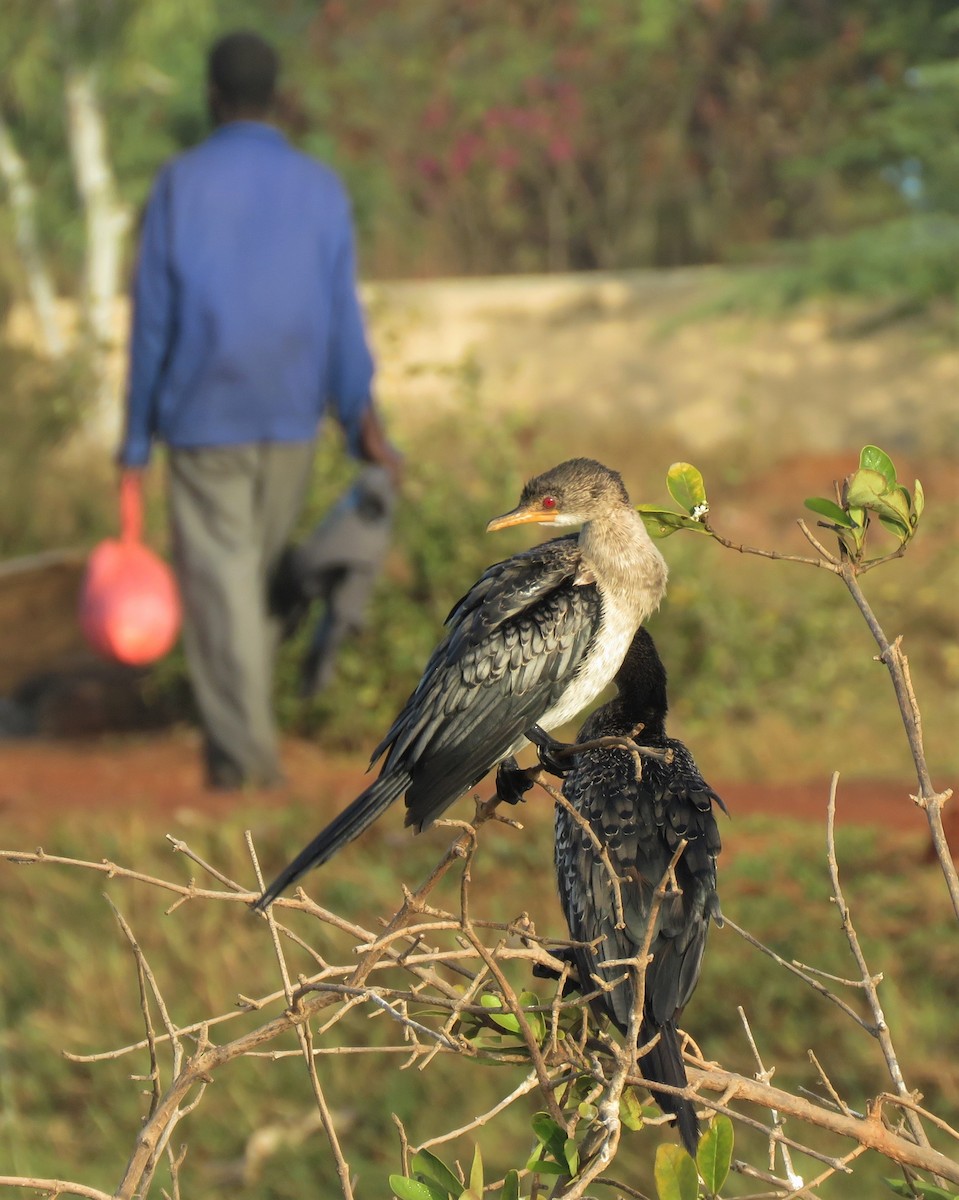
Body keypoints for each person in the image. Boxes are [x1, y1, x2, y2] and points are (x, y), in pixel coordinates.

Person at [117, 30, 401, 789]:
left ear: (211, 96)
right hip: (290, 417)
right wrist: (361, 417)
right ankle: (240, 753)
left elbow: (152, 321)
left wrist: (134, 443)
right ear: (276, 97)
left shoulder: (180, 184)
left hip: (203, 418)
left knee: (227, 592)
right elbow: (341, 316)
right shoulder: (319, 187)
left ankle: (247, 771)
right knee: (249, 589)